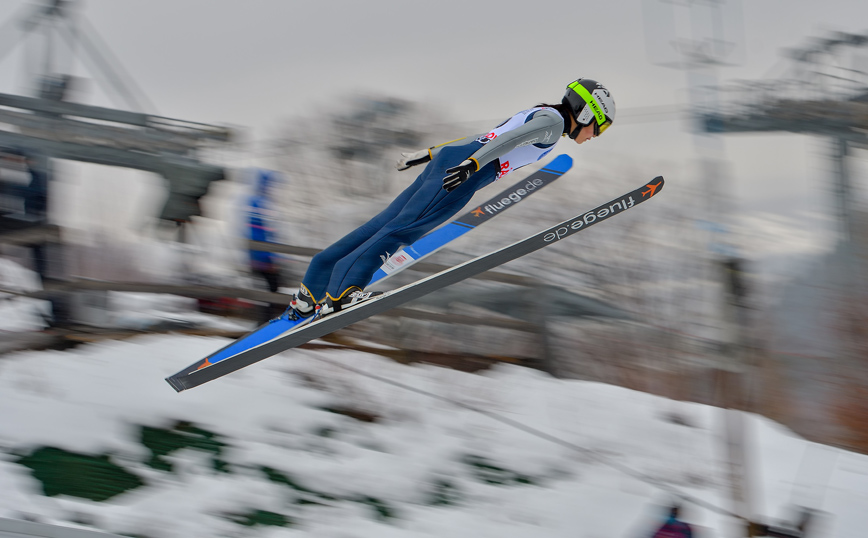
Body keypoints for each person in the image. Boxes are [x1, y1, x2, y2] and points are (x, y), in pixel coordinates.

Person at [286, 78, 616, 319]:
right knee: (403, 229)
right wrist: (471, 166)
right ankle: (342, 294)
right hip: (467, 169)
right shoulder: (552, 123)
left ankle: (312, 289)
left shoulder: (541, 112)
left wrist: (428, 154)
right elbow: (509, 140)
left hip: (456, 160)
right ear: (586, 113)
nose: (593, 137)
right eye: (597, 129)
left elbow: (483, 136)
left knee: (383, 223)